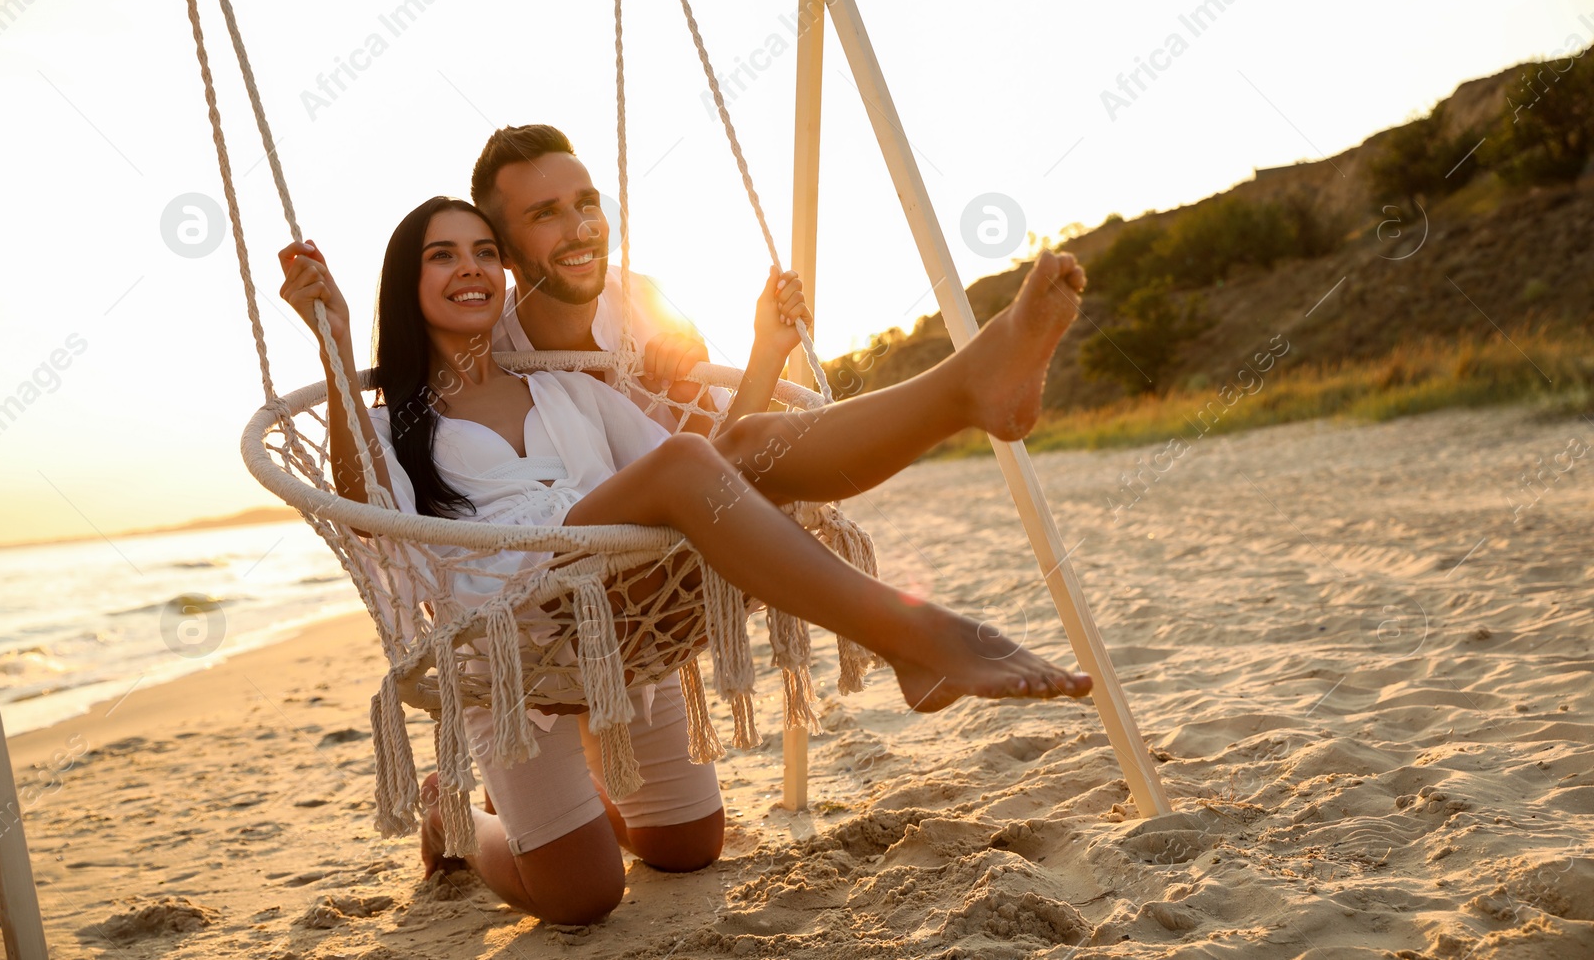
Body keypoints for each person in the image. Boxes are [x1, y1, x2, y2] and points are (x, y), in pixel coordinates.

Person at [277, 196, 1093, 925]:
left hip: (625, 620)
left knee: (687, 846)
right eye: (443, 254)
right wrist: (334, 345)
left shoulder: (571, 390)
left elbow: (715, 476)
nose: (472, 268)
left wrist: (764, 352)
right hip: (514, 645)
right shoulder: (392, 424)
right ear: (403, 284)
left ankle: (964, 392)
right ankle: (452, 817)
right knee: (580, 895)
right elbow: (368, 512)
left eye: (486, 251)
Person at [470, 123, 778, 433]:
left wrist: (697, 404)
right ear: (502, 251)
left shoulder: (655, 307)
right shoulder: (482, 358)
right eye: (545, 214)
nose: (582, 229)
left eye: (586, 204)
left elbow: (737, 460)